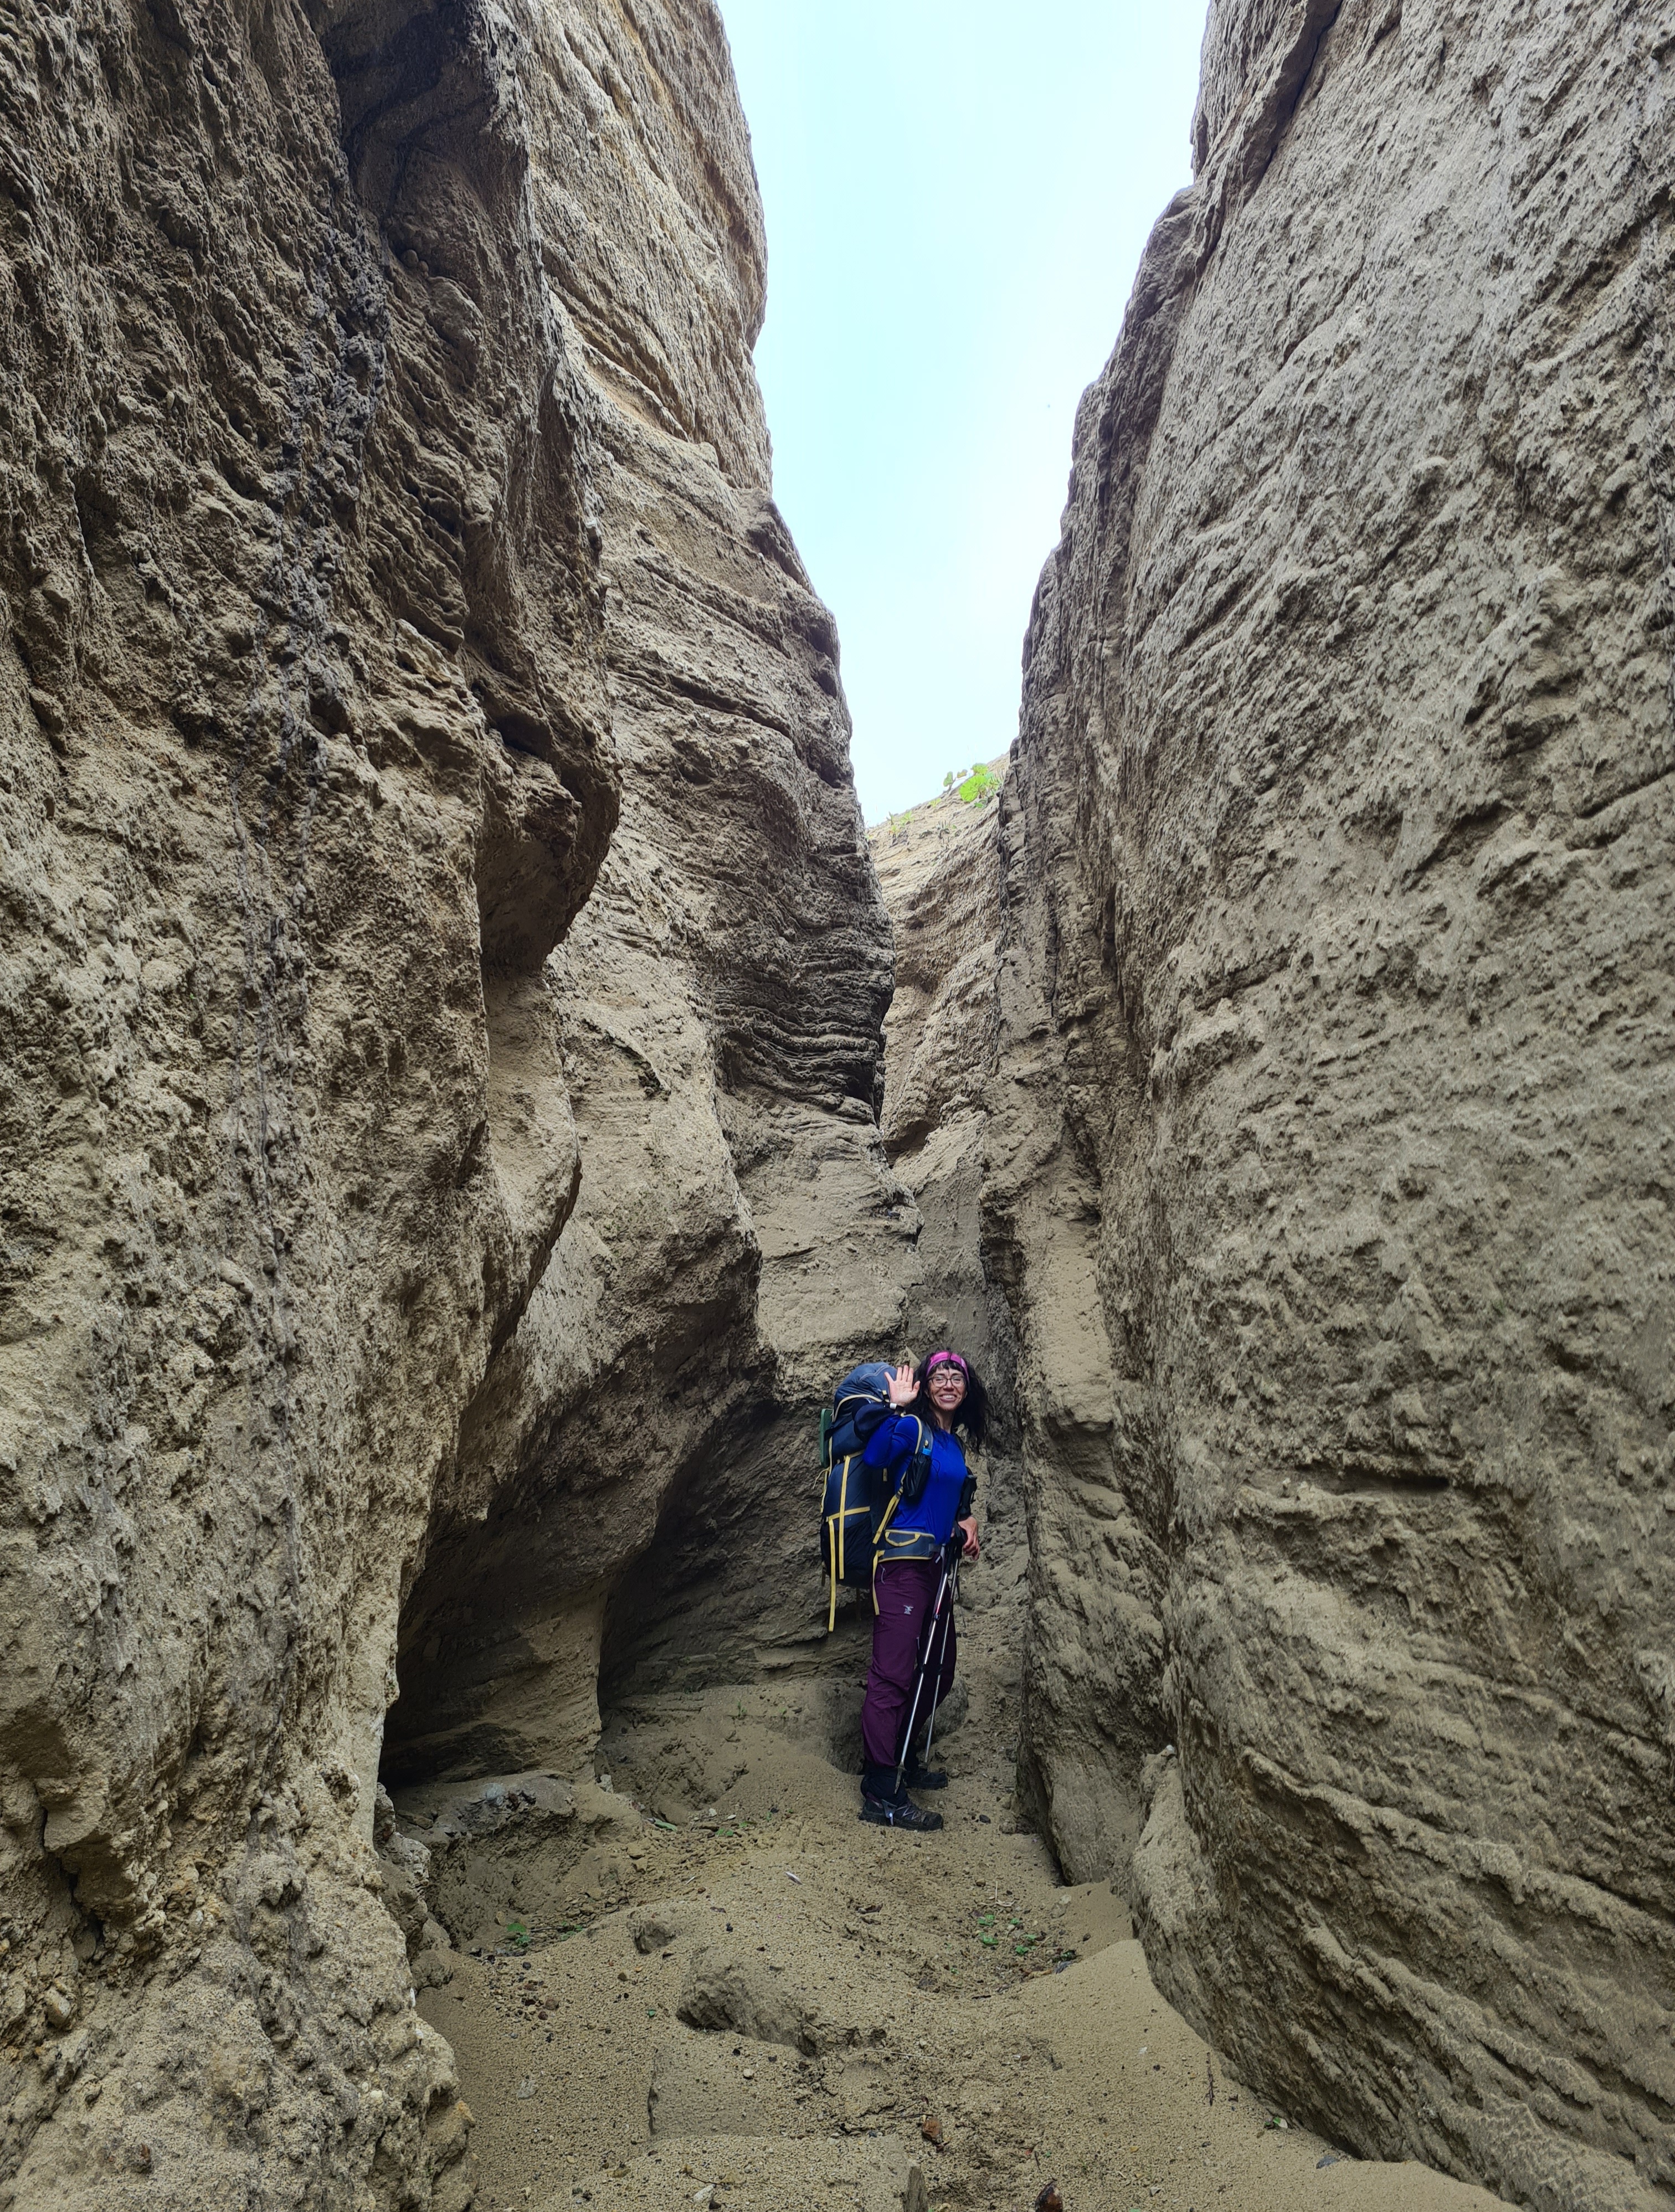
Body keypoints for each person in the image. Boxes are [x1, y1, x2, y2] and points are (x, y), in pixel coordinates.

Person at [857, 1349, 987, 1829]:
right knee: (892, 1675)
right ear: (927, 1388)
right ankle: (880, 1791)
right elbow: (875, 1456)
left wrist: (964, 1521)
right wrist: (895, 1407)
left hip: (936, 1570)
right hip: (902, 1567)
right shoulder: (913, 1429)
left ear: (967, 1390)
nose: (949, 1383)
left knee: (939, 1669)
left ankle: (901, 1753)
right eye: (939, 1377)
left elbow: (945, 1500)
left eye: (957, 1377)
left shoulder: (953, 1446)